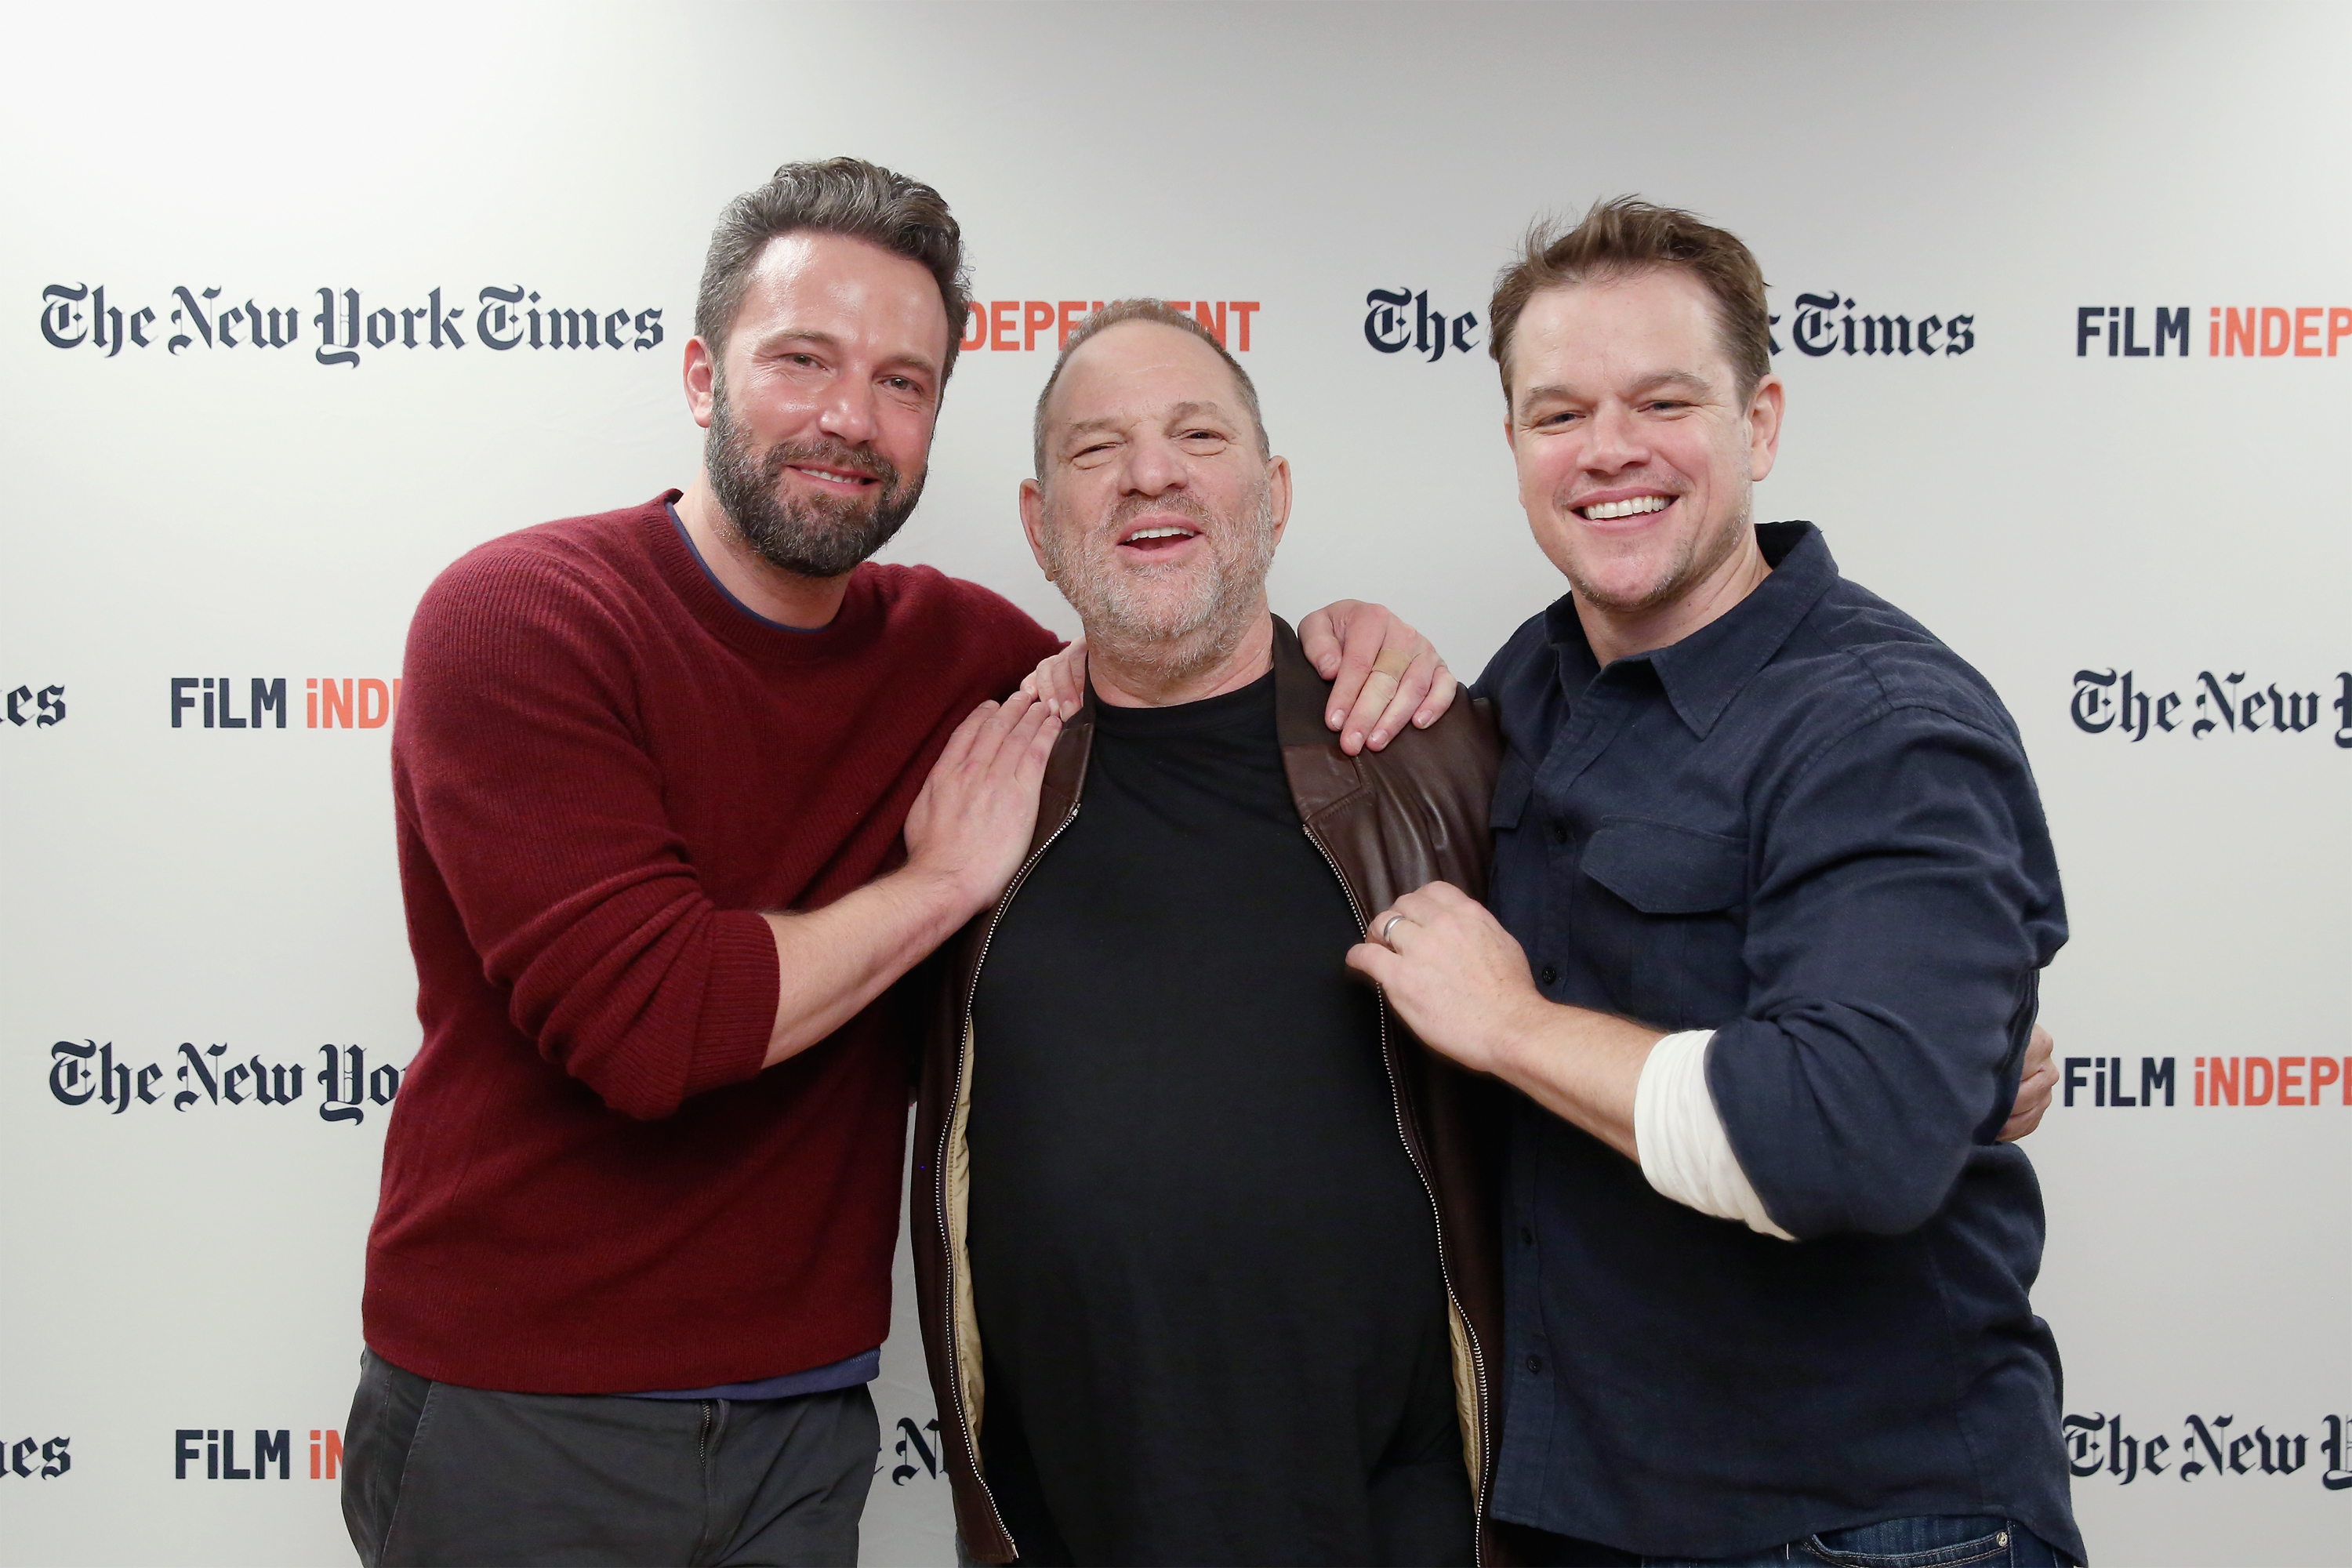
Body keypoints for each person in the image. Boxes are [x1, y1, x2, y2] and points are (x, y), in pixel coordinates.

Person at [339, 158, 1450, 1568]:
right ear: (698, 375)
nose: (849, 419)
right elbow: (651, 1026)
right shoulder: (523, 618)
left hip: (808, 1424)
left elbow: (1163, 636)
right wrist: (936, 884)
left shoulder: (964, 659)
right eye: (802, 359)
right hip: (528, 1413)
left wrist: (1350, 634)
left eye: (904, 382)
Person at [1350, 198, 2084, 1568]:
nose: (1607, 449)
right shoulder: (1539, 678)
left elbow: (1844, 1140)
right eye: (1557, 413)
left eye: (1662, 400)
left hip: (1863, 1524)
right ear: (1512, 447)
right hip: (1593, 1509)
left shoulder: (1883, 724)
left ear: (1758, 424)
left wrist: (1508, 1023)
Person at [910, 300, 1506, 1568]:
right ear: (1038, 524)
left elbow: (1641, 1002)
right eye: (1095, 449)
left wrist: (1966, 1048)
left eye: (1198, 434)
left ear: (1275, 492)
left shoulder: (1439, 762)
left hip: (1400, 1532)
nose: (1151, 472)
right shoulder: (974, 787)